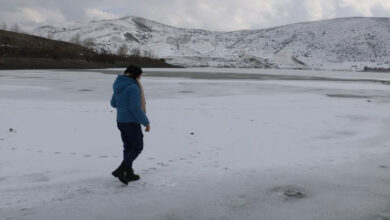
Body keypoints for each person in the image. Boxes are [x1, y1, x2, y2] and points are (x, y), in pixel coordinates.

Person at [110, 65, 150, 185]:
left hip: (121, 121)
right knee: (137, 147)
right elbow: (135, 109)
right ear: (135, 75)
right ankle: (121, 170)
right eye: (140, 75)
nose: (140, 78)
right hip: (132, 122)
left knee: (128, 147)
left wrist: (123, 107)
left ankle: (129, 172)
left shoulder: (118, 85)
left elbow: (113, 103)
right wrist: (146, 122)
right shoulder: (133, 87)